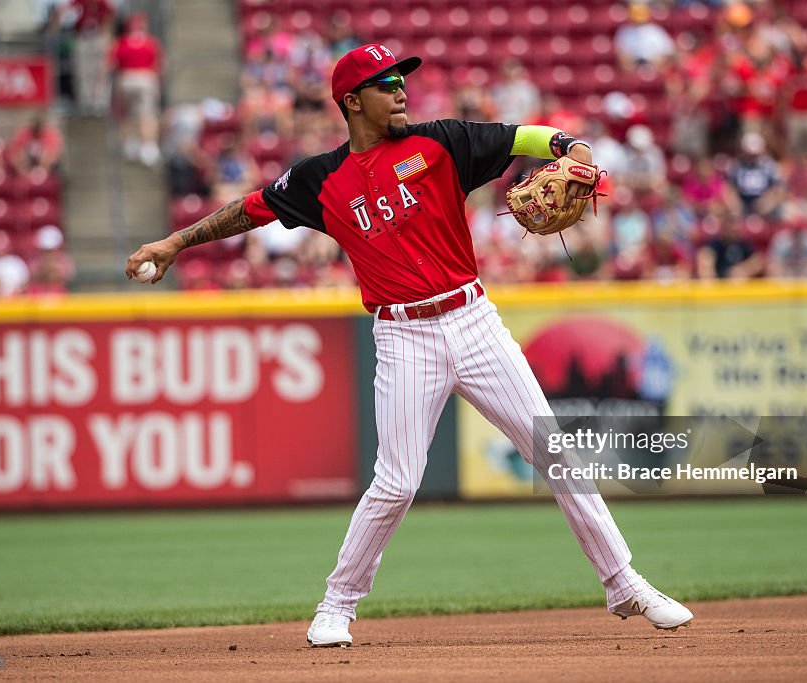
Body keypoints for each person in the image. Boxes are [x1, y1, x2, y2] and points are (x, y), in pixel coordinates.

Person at [126, 43, 693, 647]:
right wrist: (174, 244)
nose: (400, 90)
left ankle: (625, 583)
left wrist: (572, 148)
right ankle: (335, 605)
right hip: (403, 336)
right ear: (351, 101)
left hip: (474, 322)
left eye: (402, 80)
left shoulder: (442, 142)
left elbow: (529, 137)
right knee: (396, 481)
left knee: (554, 452)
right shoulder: (321, 179)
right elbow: (250, 209)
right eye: (384, 82)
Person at [111, 13, 164, 165]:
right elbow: (160, 64)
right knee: (147, 114)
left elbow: (112, 64)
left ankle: (130, 143)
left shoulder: (120, 43)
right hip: (145, 78)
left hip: (126, 79)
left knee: (128, 113)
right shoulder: (151, 42)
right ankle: (148, 146)